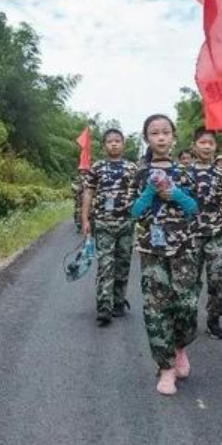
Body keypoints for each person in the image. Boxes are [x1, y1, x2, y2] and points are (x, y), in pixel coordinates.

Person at [130, 114, 199, 396]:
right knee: (155, 310)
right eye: (154, 133)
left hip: (184, 247)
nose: (160, 137)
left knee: (187, 305)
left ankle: (180, 346)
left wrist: (175, 194)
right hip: (152, 249)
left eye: (165, 132)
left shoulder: (186, 171)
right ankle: (165, 368)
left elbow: (195, 208)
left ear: (173, 136)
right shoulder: (139, 172)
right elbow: (134, 212)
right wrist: (150, 189)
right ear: (147, 139)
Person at [80, 129, 139, 325]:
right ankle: (104, 306)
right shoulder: (97, 167)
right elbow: (88, 193)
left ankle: (119, 302)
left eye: (117, 141)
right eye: (109, 141)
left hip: (126, 223)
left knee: (123, 264)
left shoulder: (132, 168)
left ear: (124, 144)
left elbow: (140, 195)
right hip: (104, 223)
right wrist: (85, 219)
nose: (114, 144)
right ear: (104, 145)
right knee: (106, 265)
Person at [188, 127, 222, 339]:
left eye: (211, 143)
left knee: (217, 279)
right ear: (194, 146)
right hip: (190, 236)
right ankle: (188, 318)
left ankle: (214, 320)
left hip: (215, 233)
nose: (207, 146)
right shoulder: (184, 173)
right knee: (190, 280)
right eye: (203, 142)